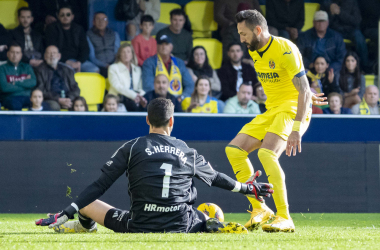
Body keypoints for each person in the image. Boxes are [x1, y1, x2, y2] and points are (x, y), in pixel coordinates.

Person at [35, 98, 273, 234]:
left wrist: (66, 211)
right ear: (172, 121)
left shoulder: (132, 147)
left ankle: (82, 226)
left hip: (138, 224)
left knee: (86, 205)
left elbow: (100, 185)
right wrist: (247, 188)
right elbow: (216, 178)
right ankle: (209, 225)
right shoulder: (187, 151)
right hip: (182, 223)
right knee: (206, 213)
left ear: (147, 120)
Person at [226, 9, 327, 232]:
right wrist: (304, 91)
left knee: (266, 154)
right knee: (234, 150)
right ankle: (260, 208)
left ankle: (285, 216)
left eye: (244, 34)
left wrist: (297, 129)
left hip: (293, 109)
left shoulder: (285, 49)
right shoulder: (254, 50)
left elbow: (302, 89)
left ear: (259, 30)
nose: (241, 39)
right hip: (272, 109)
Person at [45, 6, 98, 73]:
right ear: (58, 17)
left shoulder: (79, 29)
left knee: (95, 70)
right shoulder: (52, 29)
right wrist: (66, 61)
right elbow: (51, 49)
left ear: (72, 16)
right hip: (59, 61)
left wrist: (79, 62)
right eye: (62, 15)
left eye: (68, 14)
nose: (65, 17)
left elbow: (85, 49)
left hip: (78, 60)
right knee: (68, 73)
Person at [142, 35, 194, 100]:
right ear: (157, 46)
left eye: (166, 44)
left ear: (171, 47)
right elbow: (148, 86)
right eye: (161, 44)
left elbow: (190, 85)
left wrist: (182, 97)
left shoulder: (179, 62)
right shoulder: (149, 62)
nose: (164, 47)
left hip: (178, 101)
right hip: (157, 100)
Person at [321, 0, 369, 72]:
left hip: (351, 30)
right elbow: (324, 23)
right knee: (331, 39)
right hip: (335, 30)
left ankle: (365, 67)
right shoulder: (328, 3)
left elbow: (357, 21)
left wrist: (340, 13)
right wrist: (331, 12)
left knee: (360, 39)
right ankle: (330, 68)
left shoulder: (352, 2)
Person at [35, 45, 80, 111]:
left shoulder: (67, 70)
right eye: (49, 53)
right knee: (54, 106)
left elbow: (75, 88)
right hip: (51, 100)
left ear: (59, 56)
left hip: (68, 98)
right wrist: (58, 99)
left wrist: (69, 99)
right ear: (45, 56)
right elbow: (40, 90)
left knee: (80, 104)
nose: (52, 55)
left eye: (54, 53)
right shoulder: (39, 70)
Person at [108, 43, 146, 112]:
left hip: (134, 99)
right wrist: (133, 95)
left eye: (128, 52)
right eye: (123, 52)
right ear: (119, 55)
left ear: (132, 55)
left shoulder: (137, 69)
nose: (126, 54)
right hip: (118, 99)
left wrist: (140, 97)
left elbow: (140, 88)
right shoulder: (113, 68)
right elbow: (117, 86)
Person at [0, 43, 37, 110]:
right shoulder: (2, 68)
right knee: (15, 104)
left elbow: (33, 82)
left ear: (21, 55)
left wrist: (15, 82)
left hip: (27, 97)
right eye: (12, 52)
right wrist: (26, 86)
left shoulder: (27, 67)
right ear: (7, 54)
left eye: (17, 53)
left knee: (41, 105)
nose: (15, 55)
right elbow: (4, 87)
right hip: (9, 98)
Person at [87, 12, 121, 77]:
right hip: (99, 65)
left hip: (114, 64)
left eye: (104, 19)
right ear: (93, 22)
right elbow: (92, 57)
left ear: (107, 22)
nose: (101, 22)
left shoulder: (114, 34)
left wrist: (114, 64)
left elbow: (117, 52)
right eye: (98, 19)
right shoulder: (89, 35)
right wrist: (105, 65)